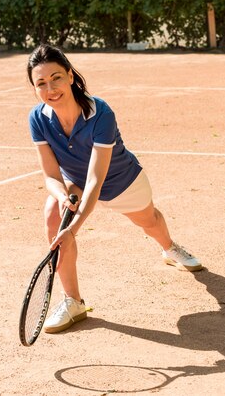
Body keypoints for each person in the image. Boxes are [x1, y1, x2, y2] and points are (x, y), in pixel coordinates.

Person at [26, 44, 202, 334]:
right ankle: (73, 301)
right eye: (41, 83)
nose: (50, 88)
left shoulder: (100, 112)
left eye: (56, 77)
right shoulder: (37, 118)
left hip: (120, 180)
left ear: (70, 76)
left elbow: (97, 178)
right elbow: (50, 175)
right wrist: (62, 197)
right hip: (75, 181)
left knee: (150, 221)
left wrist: (75, 228)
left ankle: (169, 248)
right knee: (53, 213)